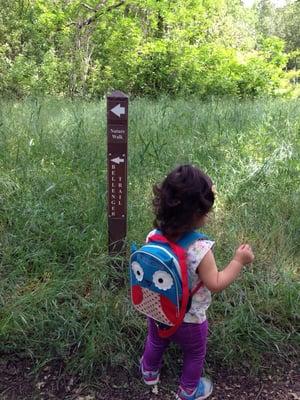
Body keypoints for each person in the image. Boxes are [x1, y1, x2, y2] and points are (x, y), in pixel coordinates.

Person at [139, 164, 255, 400]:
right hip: (190, 319)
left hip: (158, 308)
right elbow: (215, 282)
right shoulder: (200, 248)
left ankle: (149, 371)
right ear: (197, 214)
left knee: (155, 340)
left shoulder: (153, 237)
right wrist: (238, 261)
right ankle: (189, 390)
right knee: (194, 354)